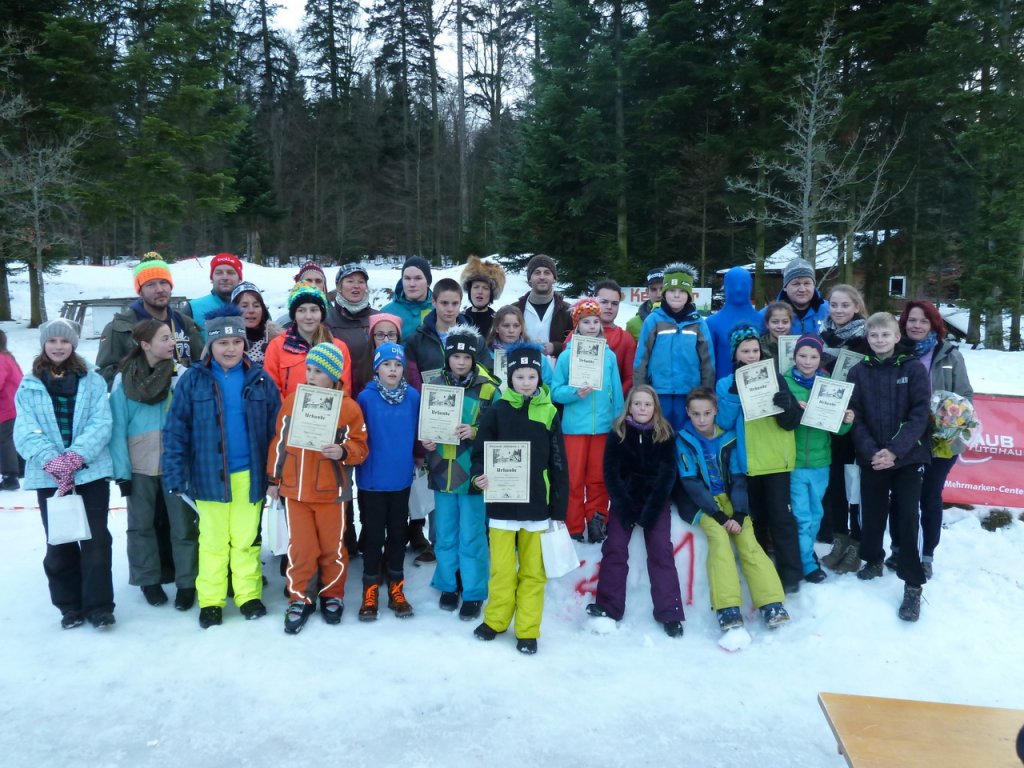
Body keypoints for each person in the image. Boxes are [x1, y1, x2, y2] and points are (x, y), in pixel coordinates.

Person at [162, 306, 281, 629]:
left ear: (244, 343)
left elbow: (277, 430)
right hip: (208, 475)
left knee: (245, 540)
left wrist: (276, 474)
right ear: (210, 345)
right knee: (213, 542)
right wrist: (175, 473)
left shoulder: (260, 379)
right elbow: (176, 430)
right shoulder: (193, 381)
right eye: (222, 343)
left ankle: (248, 595)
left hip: (249, 475)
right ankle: (212, 600)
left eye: (236, 342)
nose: (230, 349)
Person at [14, 319, 116, 630]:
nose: (58, 346)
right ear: (43, 344)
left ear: (73, 344)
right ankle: (69, 605)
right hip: (49, 476)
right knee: (60, 542)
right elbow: (25, 429)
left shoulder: (93, 381)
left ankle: (99, 606)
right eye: (52, 341)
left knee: (96, 541)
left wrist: (75, 456)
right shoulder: (29, 385)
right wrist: (52, 460)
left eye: (64, 341)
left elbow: (101, 423)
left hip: (90, 473)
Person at [471, 342, 569, 654]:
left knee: (533, 572)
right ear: (510, 377)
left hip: (537, 507)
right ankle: (496, 620)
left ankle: (527, 630)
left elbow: (558, 463)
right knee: (501, 570)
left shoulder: (549, 412)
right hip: (502, 506)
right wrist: (478, 475)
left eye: (531, 376)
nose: (526, 383)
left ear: (539, 377)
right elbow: (480, 453)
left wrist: (558, 509)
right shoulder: (497, 411)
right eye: (519, 377)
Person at [267, 343, 369, 634]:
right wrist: (274, 479)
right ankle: (300, 598)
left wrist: (343, 451)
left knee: (331, 549)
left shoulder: (348, 408)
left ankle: (332, 594)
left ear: (334, 375)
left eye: (319, 372)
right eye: (308, 370)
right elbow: (279, 441)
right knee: (301, 549)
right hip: (295, 491)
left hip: (330, 493)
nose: (311, 376)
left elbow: (361, 447)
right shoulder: (292, 402)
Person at [676, 387, 790, 633]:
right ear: (688, 413)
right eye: (696, 414)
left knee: (748, 541)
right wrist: (718, 515)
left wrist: (739, 513)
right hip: (704, 503)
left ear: (716, 411)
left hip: (731, 499)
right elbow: (690, 482)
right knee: (719, 541)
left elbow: (738, 478)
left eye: (707, 413)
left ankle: (771, 602)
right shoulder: (683, 439)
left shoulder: (728, 437)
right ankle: (727, 607)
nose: (702, 419)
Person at [847, 312, 931, 622]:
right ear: (867, 338)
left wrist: (895, 450)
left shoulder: (913, 368)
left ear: (897, 337)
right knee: (871, 511)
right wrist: (872, 451)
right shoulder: (858, 371)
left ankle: (913, 583)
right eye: (874, 335)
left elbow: (920, 414)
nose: (880, 340)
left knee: (908, 516)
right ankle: (873, 559)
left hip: (908, 457)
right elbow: (855, 416)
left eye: (886, 334)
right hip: (872, 456)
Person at [109, 319, 199, 610]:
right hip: (139, 465)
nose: (172, 343)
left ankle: (187, 582)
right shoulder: (124, 379)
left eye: (171, 337)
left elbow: (192, 421)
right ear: (145, 344)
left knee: (183, 526)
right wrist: (122, 473)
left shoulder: (180, 375)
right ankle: (148, 579)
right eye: (164, 338)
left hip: (176, 465)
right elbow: (117, 427)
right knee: (141, 526)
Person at [585, 386, 684, 637]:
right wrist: (625, 505)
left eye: (647, 404)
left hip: (655, 501)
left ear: (655, 407)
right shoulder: (618, 432)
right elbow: (611, 471)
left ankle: (670, 611)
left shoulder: (664, 433)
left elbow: (668, 474)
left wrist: (651, 510)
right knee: (615, 547)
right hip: (625, 500)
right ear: (629, 406)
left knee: (661, 550)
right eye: (637, 403)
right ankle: (609, 605)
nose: (642, 408)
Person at [420, 325, 502, 620]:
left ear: (474, 358)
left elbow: (500, 429)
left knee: (472, 534)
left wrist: (476, 430)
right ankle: (448, 583)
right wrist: (426, 440)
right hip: (442, 469)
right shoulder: (435, 384)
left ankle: (474, 590)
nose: (461, 362)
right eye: (455, 356)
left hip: (472, 472)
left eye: (466, 357)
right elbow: (425, 422)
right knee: (445, 533)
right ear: (448, 357)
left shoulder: (489, 388)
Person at [715, 324, 804, 593]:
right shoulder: (725, 384)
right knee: (757, 519)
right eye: (745, 351)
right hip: (749, 461)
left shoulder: (775, 378)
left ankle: (791, 574)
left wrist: (786, 405)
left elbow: (792, 422)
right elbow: (723, 422)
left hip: (776, 459)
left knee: (782, 517)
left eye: (755, 350)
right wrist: (733, 393)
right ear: (735, 354)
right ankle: (762, 571)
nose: (752, 356)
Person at [889, 300, 973, 579]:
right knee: (900, 497)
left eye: (923, 321)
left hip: (942, 441)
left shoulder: (950, 355)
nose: (917, 325)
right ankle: (898, 549)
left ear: (934, 324)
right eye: (912, 320)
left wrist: (950, 418)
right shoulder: (895, 352)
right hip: (905, 439)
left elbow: (965, 396)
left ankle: (926, 555)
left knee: (929, 496)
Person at [356, 343, 421, 621]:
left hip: (401, 479)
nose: (392, 370)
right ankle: (369, 591)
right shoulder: (365, 398)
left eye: (397, 365)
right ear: (376, 368)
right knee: (373, 537)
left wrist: (423, 450)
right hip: (371, 481)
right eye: (386, 364)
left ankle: (397, 589)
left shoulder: (413, 396)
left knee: (398, 535)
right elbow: (357, 436)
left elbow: (420, 431)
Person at [550, 298, 623, 543]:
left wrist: (618, 422)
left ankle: (596, 521)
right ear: (577, 326)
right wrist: (574, 393)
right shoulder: (566, 357)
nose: (592, 326)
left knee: (598, 478)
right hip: (574, 429)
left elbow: (616, 391)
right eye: (586, 322)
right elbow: (555, 391)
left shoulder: (609, 356)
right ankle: (573, 525)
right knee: (574, 479)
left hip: (603, 427)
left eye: (595, 322)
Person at [782, 334, 853, 584]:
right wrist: (793, 409)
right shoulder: (784, 383)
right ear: (794, 357)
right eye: (802, 355)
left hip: (821, 462)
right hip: (794, 462)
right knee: (802, 517)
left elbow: (838, 430)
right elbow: (777, 420)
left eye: (813, 356)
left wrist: (846, 421)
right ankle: (806, 564)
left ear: (820, 359)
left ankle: (804, 552)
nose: (807, 361)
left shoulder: (829, 385)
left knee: (815, 515)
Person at [818, 284, 871, 573]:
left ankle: (857, 542)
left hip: (858, 422)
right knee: (836, 482)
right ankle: (839, 538)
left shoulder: (866, 340)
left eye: (845, 305)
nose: (838, 310)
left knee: (855, 484)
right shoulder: (821, 337)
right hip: (829, 422)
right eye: (834, 305)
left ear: (857, 307)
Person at [97, 252, 203, 388]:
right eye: (150, 284)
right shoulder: (120, 327)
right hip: (142, 399)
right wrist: (145, 377)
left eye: (164, 282)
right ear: (140, 291)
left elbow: (201, 365)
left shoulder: (185, 323)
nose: (159, 289)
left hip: (183, 398)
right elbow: (104, 376)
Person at [634, 262, 715, 429]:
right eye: (671, 290)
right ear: (664, 293)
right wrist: (640, 390)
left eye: (682, 291)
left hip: (689, 393)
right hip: (658, 392)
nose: (676, 295)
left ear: (689, 295)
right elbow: (642, 358)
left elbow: (707, 360)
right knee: (660, 432)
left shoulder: (698, 323)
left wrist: (706, 392)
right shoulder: (653, 320)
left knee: (685, 433)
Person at [264, 283, 353, 399]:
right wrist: (288, 408)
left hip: (326, 409)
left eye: (314, 310)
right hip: (287, 409)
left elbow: (343, 389)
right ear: (294, 314)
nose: (308, 316)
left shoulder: (338, 348)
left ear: (321, 314)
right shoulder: (277, 346)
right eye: (301, 310)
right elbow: (271, 389)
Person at [405, 277, 491, 390]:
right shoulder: (417, 340)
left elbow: (486, 376)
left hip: (470, 399)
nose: (450, 309)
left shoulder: (476, 340)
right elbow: (412, 380)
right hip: (431, 399)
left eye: (455, 303)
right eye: (444, 303)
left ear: (460, 303)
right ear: (434, 302)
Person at [325, 263, 379, 397]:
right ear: (339, 287)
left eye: (361, 282)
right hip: (339, 394)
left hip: (373, 394)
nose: (356, 286)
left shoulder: (378, 318)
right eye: (350, 281)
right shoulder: (326, 320)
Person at [707, 266, 762, 381]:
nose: (738, 289)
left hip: (758, 386)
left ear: (750, 286)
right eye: (733, 285)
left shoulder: (763, 320)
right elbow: (708, 363)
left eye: (743, 285)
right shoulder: (712, 323)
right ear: (725, 287)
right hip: (723, 388)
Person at [514, 254, 573, 356]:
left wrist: (556, 347)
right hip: (521, 364)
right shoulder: (515, 309)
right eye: (537, 273)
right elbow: (501, 341)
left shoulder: (568, 311)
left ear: (554, 278)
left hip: (556, 366)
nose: (542, 277)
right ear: (529, 278)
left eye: (547, 273)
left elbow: (576, 345)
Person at [485, 305, 555, 386]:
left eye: (516, 326)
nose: (511, 330)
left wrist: (535, 392)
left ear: (521, 328)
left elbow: (549, 384)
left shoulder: (536, 355)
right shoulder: (485, 355)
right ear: (497, 328)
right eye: (506, 326)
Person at [764, 257, 829, 335]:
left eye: (807, 283)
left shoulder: (830, 310)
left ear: (813, 286)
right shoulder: (769, 313)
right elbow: (752, 333)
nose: (802, 289)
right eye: (796, 284)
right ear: (785, 287)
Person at [183, 252, 243, 335]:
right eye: (219, 273)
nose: (225, 277)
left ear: (240, 279)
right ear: (212, 278)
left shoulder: (252, 307)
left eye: (230, 273)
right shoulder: (192, 308)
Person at [594, 279, 636, 395]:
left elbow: (630, 377)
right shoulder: (576, 334)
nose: (609, 307)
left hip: (612, 402)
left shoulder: (626, 339)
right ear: (594, 302)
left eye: (614, 303)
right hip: (580, 400)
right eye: (604, 302)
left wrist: (614, 397)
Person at [380, 256, 434, 336]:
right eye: (407, 278)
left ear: (428, 282)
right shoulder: (387, 313)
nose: (412, 284)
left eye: (418, 278)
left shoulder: (439, 311)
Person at [230, 281, 281, 364]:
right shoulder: (224, 341)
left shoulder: (278, 339)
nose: (251, 310)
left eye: (256, 306)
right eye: (244, 306)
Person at [460, 255, 506, 340]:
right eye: (476, 287)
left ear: (492, 293)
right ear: (470, 290)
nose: (480, 291)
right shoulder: (459, 319)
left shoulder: (498, 321)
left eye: (485, 288)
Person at [0, 329, 23, 491]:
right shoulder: (7, 357)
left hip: (6, 406)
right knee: (12, 438)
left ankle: (10, 476)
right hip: (13, 405)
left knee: (4, 440)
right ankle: (20, 467)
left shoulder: (1, 359)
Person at [626, 267, 663, 341]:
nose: (659, 294)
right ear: (647, 292)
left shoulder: (682, 320)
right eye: (653, 289)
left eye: (662, 289)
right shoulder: (633, 324)